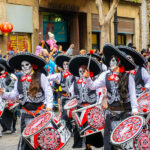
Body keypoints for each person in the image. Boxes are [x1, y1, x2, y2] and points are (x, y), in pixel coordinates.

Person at [83, 44, 138, 150]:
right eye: (110, 61)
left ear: (119, 62)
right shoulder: (105, 75)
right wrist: (88, 78)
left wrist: (135, 109)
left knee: (123, 141)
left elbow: (132, 95)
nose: (111, 63)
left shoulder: (128, 76)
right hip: (110, 114)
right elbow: (93, 86)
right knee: (109, 142)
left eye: (113, 60)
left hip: (125, 113)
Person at [0, 53, 53, 150]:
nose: (24, 67)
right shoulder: (19, 79)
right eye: (22, 65)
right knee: (26, 138)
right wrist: (3, 93)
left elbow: (48, 91)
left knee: (40, 137)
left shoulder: (41, 76)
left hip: (39, 112)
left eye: (27, 65)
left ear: (32, 65)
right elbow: (13, 95)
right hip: (25, 113)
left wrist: (49, 106)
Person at [68, 55, 104, 150]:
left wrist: (98, 105)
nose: (82, 73)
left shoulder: (93, 81)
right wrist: (69, 95)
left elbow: (99, 93)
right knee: (81, 131)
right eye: (80, 71)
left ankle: (89, 145)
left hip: (90, 108)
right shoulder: (75, 83)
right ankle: (85, 146)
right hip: (80, 109)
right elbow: (71, 95)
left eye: (84, 71)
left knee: (91, 130)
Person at [47, 54, 73, 131]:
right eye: (64, 64)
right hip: (64, 97)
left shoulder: (74, 74)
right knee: (64, 114)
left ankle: (73, 128)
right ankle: (67, 129)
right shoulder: (59, 74)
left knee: (72, 114)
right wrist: (50, 87)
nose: (65, 66)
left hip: (73, 98)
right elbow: (47, 79)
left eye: (67, 64)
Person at [0, 59, 17, 135]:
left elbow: (14, 85)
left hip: (11, 95)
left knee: (12, 112)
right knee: (2, 112)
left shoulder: (12, 75)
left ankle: (13, 128)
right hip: (2, 96)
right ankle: (5, 127)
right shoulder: (1, 75)